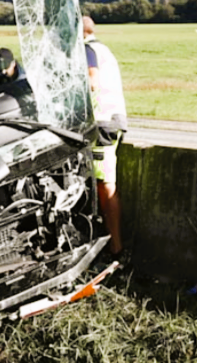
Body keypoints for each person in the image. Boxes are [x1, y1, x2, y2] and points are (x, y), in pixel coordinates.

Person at [82, 15, 126, 256]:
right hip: (111, 120)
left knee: (104, 186)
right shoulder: (103, 49)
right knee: (102, 184)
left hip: (101, 123)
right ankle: (111, 246)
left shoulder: (87, 49)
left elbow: (91, 81)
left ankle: (115, 249)